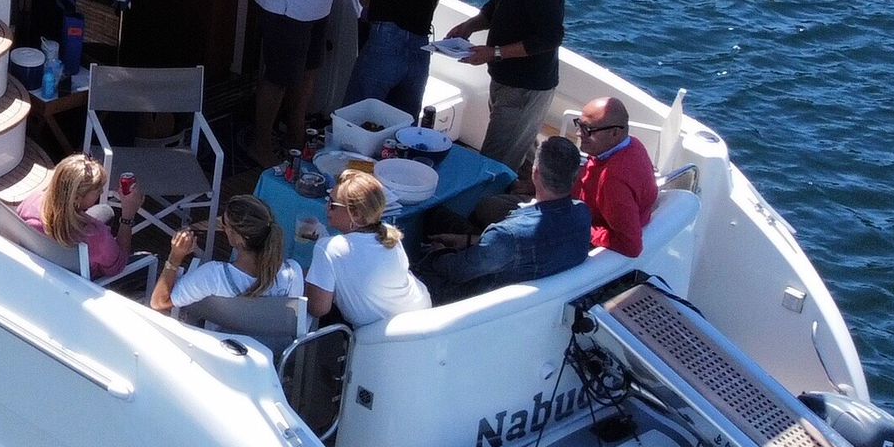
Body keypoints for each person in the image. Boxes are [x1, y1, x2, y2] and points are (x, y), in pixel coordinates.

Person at [443, 0, 564, 180]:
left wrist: (493, 52)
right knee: (518, 151)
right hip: (505, 80)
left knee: (493, 161)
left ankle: (483, 213)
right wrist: (470, 25)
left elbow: (550, 37)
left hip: (525, 86)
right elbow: (497, 6)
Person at [420, 136, 591, 303]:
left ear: (535, 172)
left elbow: (457, 271)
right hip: (527, 280)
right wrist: (468, 241)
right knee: (436, 215)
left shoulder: (507, 234)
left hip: (481, 296)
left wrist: (438, 252)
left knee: (424, 259)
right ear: (575, 178)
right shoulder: (583, 214)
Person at [250, 0, 358, 166]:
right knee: (278, 78)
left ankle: (295, 137)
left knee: (309, 71)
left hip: (318, 7)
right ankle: (260, 145)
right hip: (285, 6)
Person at [307, 171, 431, 329]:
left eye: (332, 204)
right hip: (421, 312)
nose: (327, 207)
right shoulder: (388, 231)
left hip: (384, 334)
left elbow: (317, 309)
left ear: (357, 215)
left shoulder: (326, 249)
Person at [343, 0, 448, 119]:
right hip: (420, 51)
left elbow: (364, 0)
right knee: (402, 121)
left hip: (384, 44)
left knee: (357, 115)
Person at [150, 195, 303, 315]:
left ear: (236, 235)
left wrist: (174, 258)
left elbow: (159, 302)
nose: (222, 227)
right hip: (272, 353)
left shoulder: (212, 276)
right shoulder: (293, 274)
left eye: (224, 223)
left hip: (222, 348)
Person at [16, 154, 145, 282]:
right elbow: (118, 266)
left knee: (105, 210)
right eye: (97, 189)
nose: (101, 192)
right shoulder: (96, 235)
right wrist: (128, 215)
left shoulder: (31, 202)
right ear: (76, 199)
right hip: (85, 282)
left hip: (49, 264)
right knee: (147, 260)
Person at [575, 95, 657, 257]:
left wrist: (583, 228)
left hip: (581, 224)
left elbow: (630, 245)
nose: (578, 133)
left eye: (587, 130)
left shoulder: (613, 181)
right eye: (579, 125)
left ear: (614, 133)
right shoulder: (632, 144)